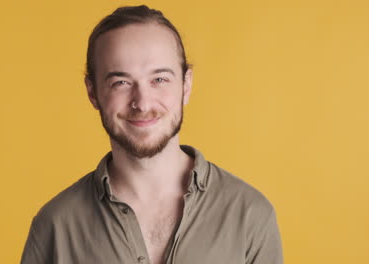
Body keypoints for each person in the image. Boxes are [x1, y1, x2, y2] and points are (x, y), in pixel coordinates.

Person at [21, 5, 283, 264]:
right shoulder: (55, 225)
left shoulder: (250, 215)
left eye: (159, 79)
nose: (143, 103)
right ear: (93, 92)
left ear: (186, 84)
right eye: (120, 82)